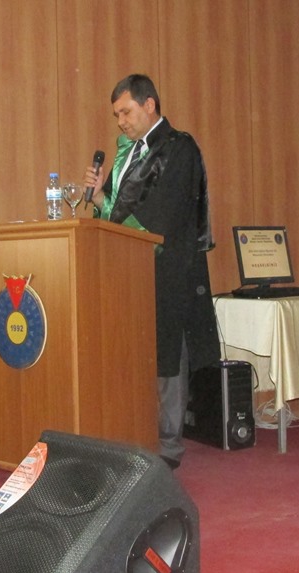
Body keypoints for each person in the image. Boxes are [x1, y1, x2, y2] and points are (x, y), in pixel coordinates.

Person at [83, 74, 219, 469]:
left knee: (167, 357)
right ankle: (134, 436)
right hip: (131, 273)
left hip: (169, 269)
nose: (121, 121)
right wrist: (100, 196)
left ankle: (166, 446)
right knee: (134, 355)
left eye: (125, 112)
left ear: (149, 105)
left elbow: (161, 217)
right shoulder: (128, 155)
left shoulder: (178, 148)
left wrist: (120, 221)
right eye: (116, 115)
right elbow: (117, 213)